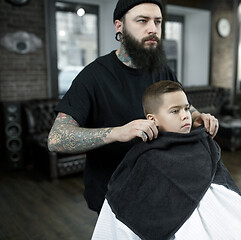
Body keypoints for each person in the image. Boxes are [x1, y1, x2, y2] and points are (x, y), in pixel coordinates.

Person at [47, 0, 218, 214]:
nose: (152, 29)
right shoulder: (93, 77)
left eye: (158, 22)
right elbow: (57, 138)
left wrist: (196, 117)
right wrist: (117, 132)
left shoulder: (163, 70)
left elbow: (185, 107)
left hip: (158, 187)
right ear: (119, 26)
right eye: (142, 21)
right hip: (114, 194)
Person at [91, 81, 241, 240]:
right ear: (152, 119)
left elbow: (224, 187)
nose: (185, 116)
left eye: (186, 108)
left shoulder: (203, 142)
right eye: (175, 111)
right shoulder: (145, 158)